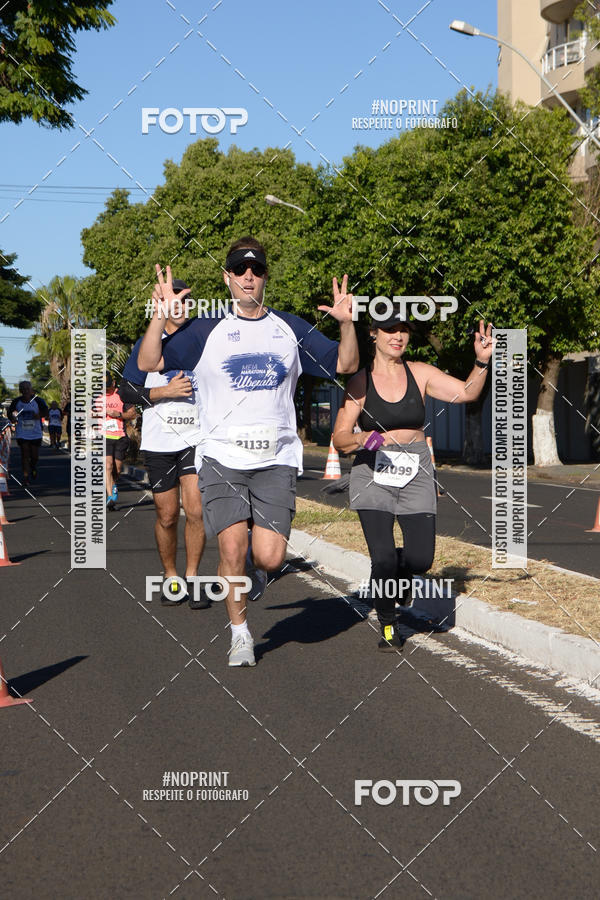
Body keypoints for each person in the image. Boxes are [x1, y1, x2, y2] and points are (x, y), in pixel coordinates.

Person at [138, 237, 359, 667]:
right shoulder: (204, 330)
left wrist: (347, 324)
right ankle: (240, 633)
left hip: (275, 460)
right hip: (222, 459)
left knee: (271, 557)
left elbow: (346, 365)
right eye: (240, 269)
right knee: (231, 549)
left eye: (256, 270)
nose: (248, 277)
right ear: (227, 278)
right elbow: (149, 362)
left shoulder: (290, 328)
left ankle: (257, 573)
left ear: (265, 277)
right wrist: (160, 316)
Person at [333, 309, 494, 652]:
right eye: (390, 329)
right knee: (383, 558)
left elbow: (466, 393)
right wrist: (363, 438)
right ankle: (388, 623)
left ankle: (396, 573)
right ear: (374, 334)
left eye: (404, 330)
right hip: (373, 469)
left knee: (421, 560)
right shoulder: (360, 381)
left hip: (415, 467)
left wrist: (481, 362)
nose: (398, 336)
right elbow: (340, 438)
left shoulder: (420, 373)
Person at [119, 279, 207, 609]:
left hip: (197, 438)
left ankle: (193, 577)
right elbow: (127, 392)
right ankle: (171, 577)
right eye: (175, 301)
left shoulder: (204, 341)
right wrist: (164, 392)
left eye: (186, 301)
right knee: (167, 515)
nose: (181, 306)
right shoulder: (148, 343)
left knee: (196, 510)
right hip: (159, 443)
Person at [95, 372, 137, 510]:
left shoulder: (122, 395)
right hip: (104, 436)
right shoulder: (97, 397)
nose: (105, 390)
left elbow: (132, 414)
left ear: (113, 383)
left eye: (107, 387)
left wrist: (118, 414)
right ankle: (110, 496)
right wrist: (95, 414)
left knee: (117, 469)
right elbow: (90, 413)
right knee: (108, 466)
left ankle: (112, 485)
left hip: (120, 436)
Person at [8, 381, 49, 485]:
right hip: (22, 432)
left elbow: (46, 411)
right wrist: (12, 418)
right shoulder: (16, 401)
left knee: (34, 457)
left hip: (35, 432)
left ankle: (33, 466)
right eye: (23, 389)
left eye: (27, 389)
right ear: (20, 390)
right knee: (25, 454)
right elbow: (10, 413)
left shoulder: (38, 400)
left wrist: (39, 415)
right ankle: (25, 477)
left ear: (31, 390)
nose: (26, 391)